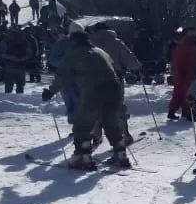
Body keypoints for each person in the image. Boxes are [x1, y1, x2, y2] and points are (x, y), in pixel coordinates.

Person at [41, 29, 130, 170]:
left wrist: (50, 92)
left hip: (94, 89)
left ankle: (83, 158)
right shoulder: (100, 51)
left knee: (83, 123)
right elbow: (113, 68)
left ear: (74, 42)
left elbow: (63, 75)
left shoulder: (73, 54)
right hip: (114, 88)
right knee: (111, 121)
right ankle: (121, 155)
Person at [168, 28, 196, 121]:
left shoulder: (183, 44)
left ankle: (174, 111)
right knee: (190, 93)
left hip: (182, 72)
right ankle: (190, 113)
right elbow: (181, 59)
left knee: (179, 93)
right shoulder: (189, 44)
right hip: (187, 72)